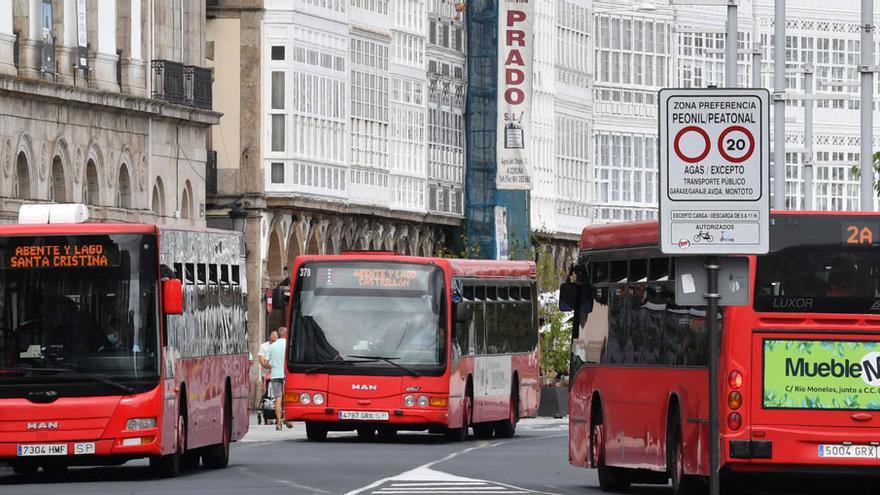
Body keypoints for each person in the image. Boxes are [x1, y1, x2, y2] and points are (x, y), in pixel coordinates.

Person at [261, 327, 289, 431]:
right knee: (287, 398)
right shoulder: (288, 345)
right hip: (287, 375)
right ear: (286, 334)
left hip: (275, 374)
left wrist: (272, 366)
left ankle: (279, 422)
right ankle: (287, 418)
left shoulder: (272, 346)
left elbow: (264, 362)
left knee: (278, 398)